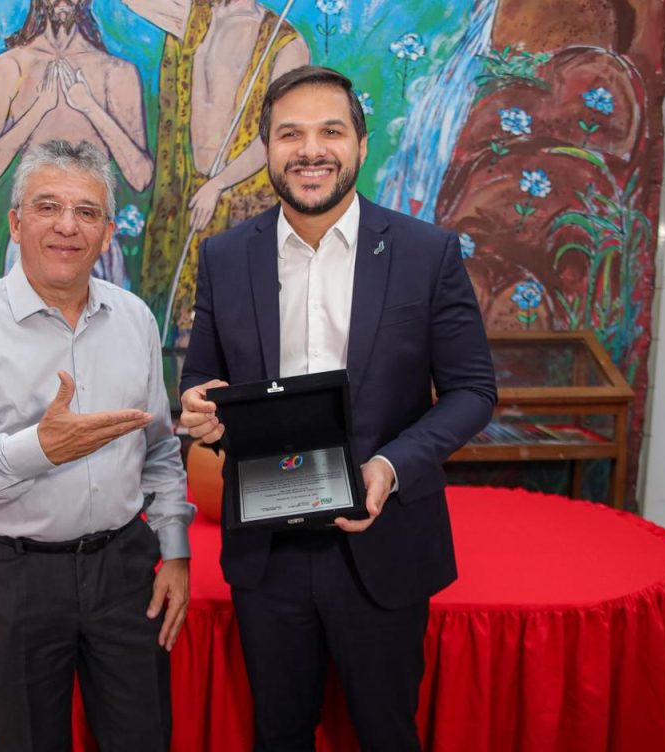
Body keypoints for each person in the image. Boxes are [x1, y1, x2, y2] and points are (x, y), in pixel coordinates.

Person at [179, 66, 497, 751]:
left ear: (360, 143)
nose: (310, 150)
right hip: (267, 548)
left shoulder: (425, 253)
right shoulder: (226, 257)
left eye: (330, 131)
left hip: (385, 541)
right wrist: (199, 407)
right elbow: (203, 378)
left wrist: (390, 466)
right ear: (266, 148)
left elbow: (474, 390)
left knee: (386, 734)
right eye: (289, 134)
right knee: (279, 733)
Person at [0, 139, 194, 752]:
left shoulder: (136, 319)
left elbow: (160, 449)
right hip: (14, 576)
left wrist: (174, 551)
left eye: (87, 212)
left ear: (108, 233)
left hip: (125, 572)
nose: (67, 226)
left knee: (144, 738)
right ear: (15, 222)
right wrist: (37, 449)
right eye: (47, 207)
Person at [124, 0, 308, 343]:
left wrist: (219, 184)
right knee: (184, 327)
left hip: (241, 201)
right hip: (187, 195)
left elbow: (276, 137)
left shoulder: (284, 42)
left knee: (233, 327)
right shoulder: (192, 16)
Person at [0, 0, 153, 279]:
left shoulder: (115, 72)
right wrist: (39, 109)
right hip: (31, 247)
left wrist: (89, 106)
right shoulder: (11, 66)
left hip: (94, 249)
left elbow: (141, 177)